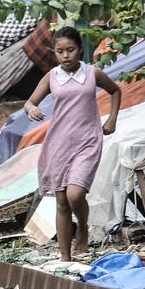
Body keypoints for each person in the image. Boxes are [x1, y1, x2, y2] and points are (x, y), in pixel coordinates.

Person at [24, 26, 121, 261]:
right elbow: (29, 102)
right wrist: (32, 108)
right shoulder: (52, 77)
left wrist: (112, 119)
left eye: (70, 50)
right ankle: (65, 257)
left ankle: (84, 227)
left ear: (80, 50)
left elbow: (115, 91)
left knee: (75, 195)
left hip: (88, 140)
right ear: (54, 53)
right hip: (58, 144)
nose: (65, 55)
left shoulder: (92, 73)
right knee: (61, 201)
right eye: (60, 51)